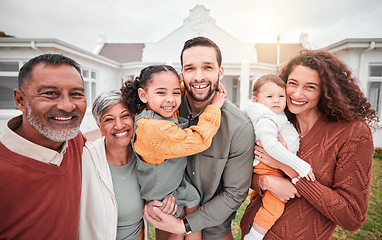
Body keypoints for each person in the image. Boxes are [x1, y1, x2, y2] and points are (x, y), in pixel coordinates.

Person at [240, 50, 377, 240]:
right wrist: (265, 182)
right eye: (292, 84)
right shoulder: (277, 120)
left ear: (327, 90)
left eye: (310, 87)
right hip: (250, 230)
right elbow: (244, 173)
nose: (297, 94)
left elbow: (352, 216)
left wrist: (290, 170)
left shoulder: (353, 133)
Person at [144, 37, 255, 240]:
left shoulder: (239, 127)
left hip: (215, 231)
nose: (199, 76)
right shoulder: (160, 112)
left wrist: (185, 225)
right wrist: (148, 199)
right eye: (190, 68)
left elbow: (235, 194)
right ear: (182, 73)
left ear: (220, 72)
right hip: (167, 223)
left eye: (207, 67)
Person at [121, 64, 226, 240]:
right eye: (161, 93)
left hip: (175, 183)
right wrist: (214, 108)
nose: (170, 99)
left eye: (176, 93)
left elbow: (172, 89)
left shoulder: (158, 110)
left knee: (193, 213)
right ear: (143, 95)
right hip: (161, 193)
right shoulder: (152, 127)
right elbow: (198, 140)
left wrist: (199, 82)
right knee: (176, 232)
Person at [0, 54, 87, 239]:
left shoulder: (74, 141)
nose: (68, 106)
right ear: (20, 101)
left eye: (76, 94)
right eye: (50, 94)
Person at [242, 74, 315, 240]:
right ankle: (253, 236)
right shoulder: (265, 119)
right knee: (274, 207)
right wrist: (300, 166)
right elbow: (271, 146)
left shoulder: (275, 116)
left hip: (269, 167)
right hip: (267, 167)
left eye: (281, 96)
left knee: (261, 199)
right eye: (269, 96)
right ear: (256, 100)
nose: (276, 100)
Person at [79, 90, 149, 240]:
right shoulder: (87, 158)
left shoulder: (143, 154)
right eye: (109, 119)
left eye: (125, 116)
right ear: (100, 126)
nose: (119, 125)